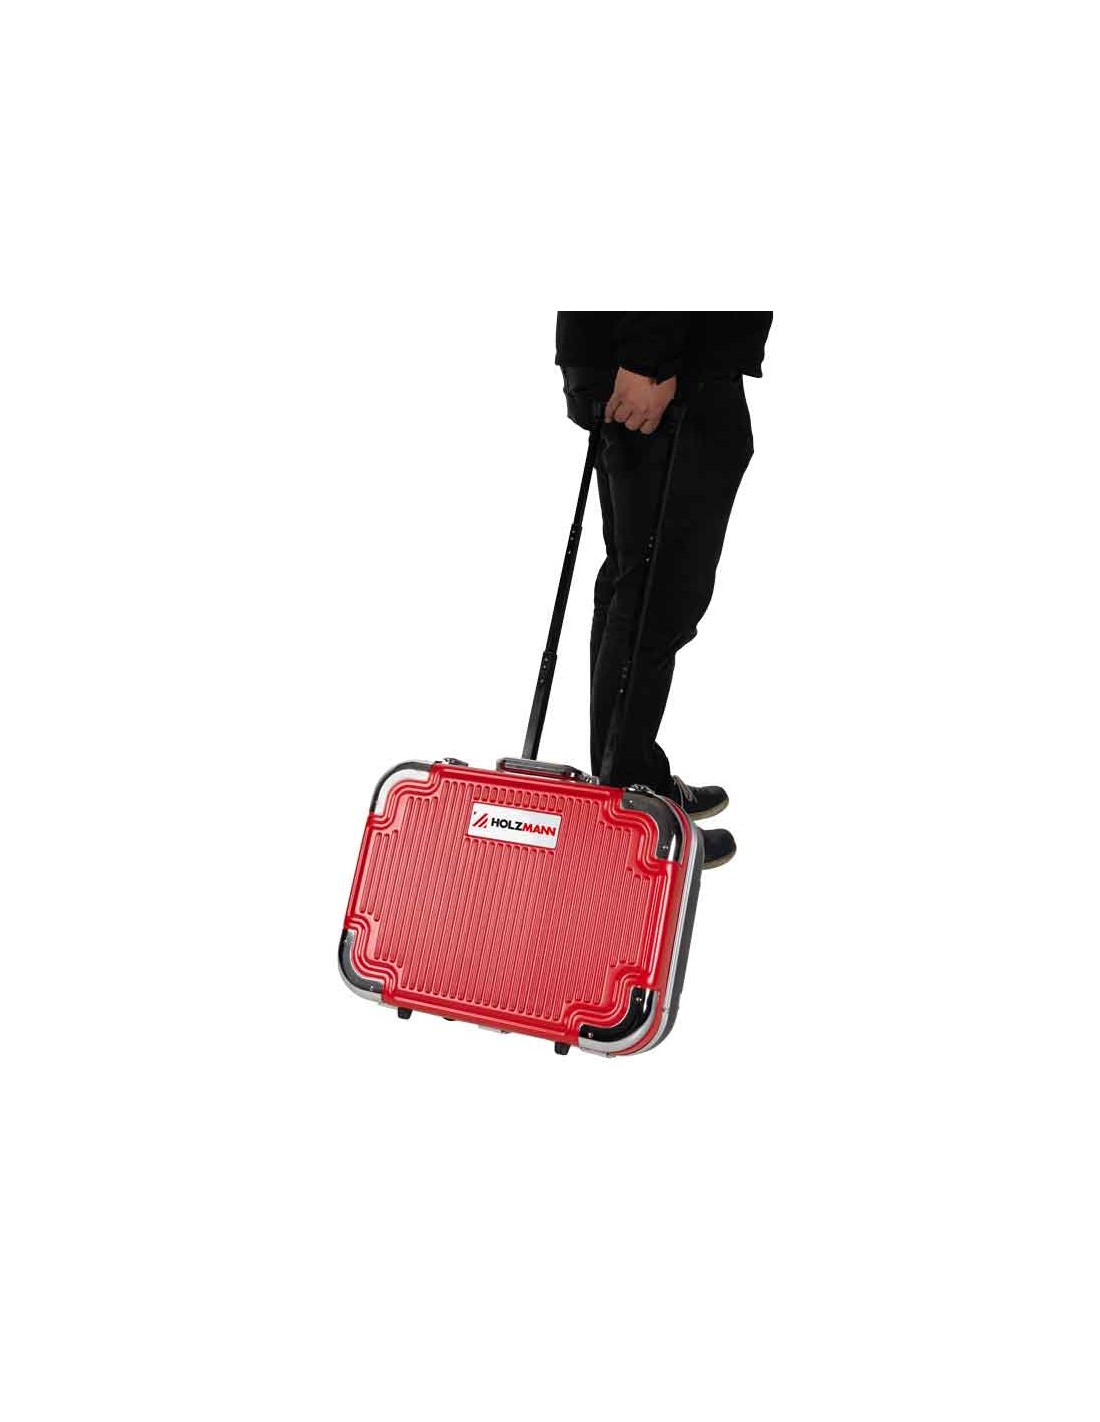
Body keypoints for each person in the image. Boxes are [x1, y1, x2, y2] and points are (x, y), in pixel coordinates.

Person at [556, 311, 772, 869]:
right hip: (664, 366)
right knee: (658, 593)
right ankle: (632, 813)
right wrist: (647, 359)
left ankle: (628, 786)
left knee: (636, 581)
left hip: (645, 356)